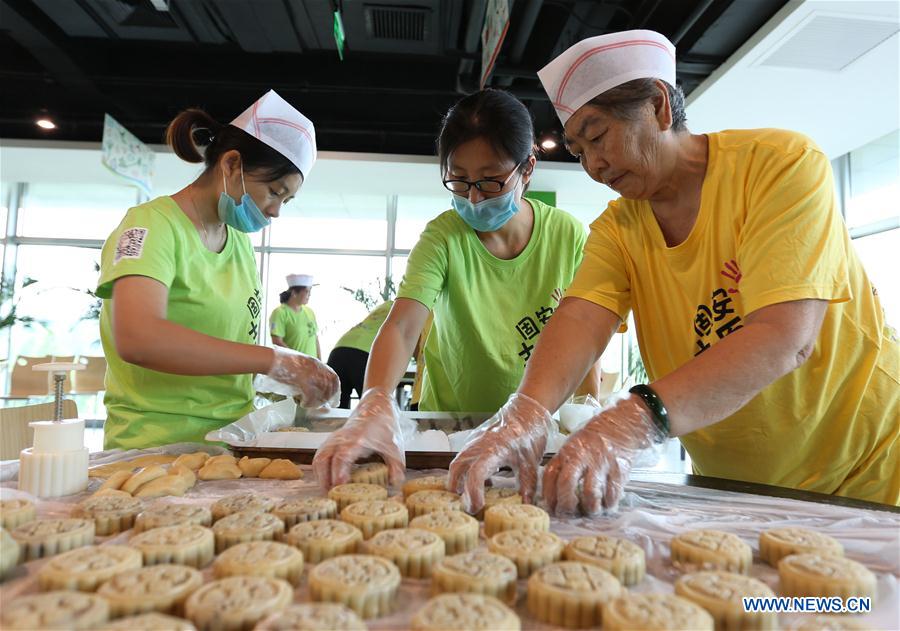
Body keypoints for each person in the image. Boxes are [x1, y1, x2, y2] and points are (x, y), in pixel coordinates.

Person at [447, 30, 899, 513]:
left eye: (597, 136)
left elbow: (784, 336)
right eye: (579, 152)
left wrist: (636, 418)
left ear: (659, 106)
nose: (594, 166)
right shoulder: (620, 227)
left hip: (867, 474)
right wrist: (526, 412)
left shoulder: (778, 167)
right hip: (736, 489)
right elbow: (581, 317)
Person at [313, 89, 601, 490]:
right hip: (451, 426)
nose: (474, 198)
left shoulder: (566, 235)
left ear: (527, 169)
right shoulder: (444, 237)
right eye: (460, 181)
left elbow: (586, 335)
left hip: (536, 423)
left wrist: (587, 413)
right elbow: (403, 326)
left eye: (491, 181)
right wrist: (375, 402)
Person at [97, 90, 339, 449]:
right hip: (156, 445)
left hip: (231, 441)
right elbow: (138, 338)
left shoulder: (237, 241)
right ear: (231, 165)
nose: (275, 211)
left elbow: (226, 347)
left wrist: (287, 376)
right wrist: (274, 359)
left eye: (286, 201)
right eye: (275, 192)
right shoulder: (152, 226)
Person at [327, 299, 394, 408]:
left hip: (339, 349)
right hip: (363, 352)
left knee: (335, 408)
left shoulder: (386, 305)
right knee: (372, 407)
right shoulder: (411, 305)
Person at [270, 274, 320, 358]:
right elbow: (277, 341)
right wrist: (297, 359)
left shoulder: (310, 312)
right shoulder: (280, 313)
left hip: (311, 364)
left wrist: (320, 361)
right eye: (307, 291)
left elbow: (315, 339)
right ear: (294, 293)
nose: (309, 295)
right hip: (292, 364)